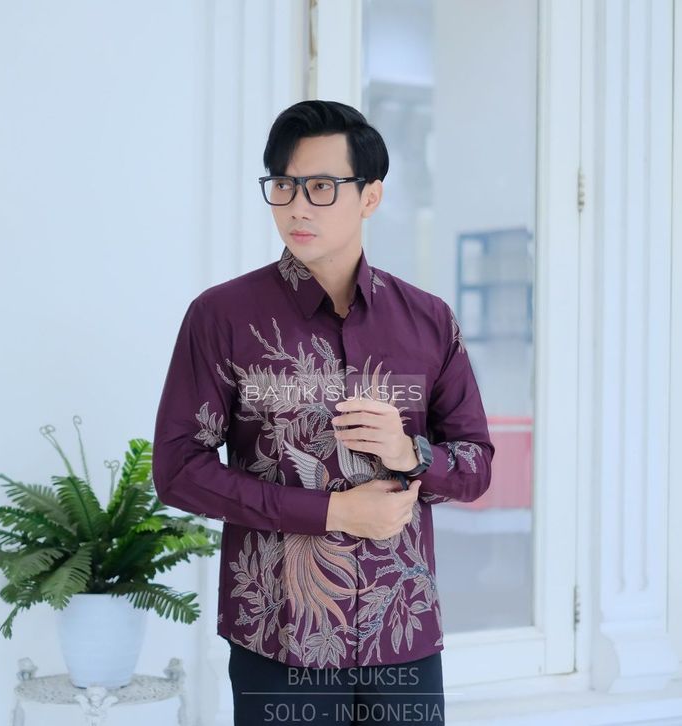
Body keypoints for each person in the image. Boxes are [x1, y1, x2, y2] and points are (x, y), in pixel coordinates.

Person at [152, 99, 495, 725]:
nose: (297, 207)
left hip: (403, 627)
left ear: (370, 196)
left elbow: (475, 468)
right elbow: (178, 470)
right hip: (279, 634)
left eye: (321, 187)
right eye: (283, 186)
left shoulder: (429, 320)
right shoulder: (222, 318)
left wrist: (409, 453)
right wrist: (332, 512)